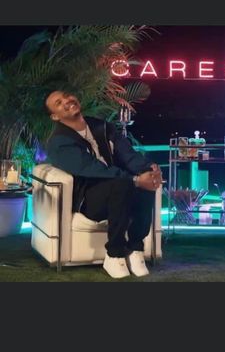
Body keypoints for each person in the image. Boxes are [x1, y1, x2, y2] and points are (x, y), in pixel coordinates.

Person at [44, 90, 163, 279]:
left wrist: (147, 169)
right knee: (124, 183)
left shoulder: (103, 127)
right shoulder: (59, 142)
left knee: (146, 182)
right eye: (59, 103)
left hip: (120, 190)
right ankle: (114, 254)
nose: (67, 101)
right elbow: (91, 168)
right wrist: (133, 180)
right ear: (55, 116)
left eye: (66, 96)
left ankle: (135, 247)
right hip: (89, 200)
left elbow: (127, 154)